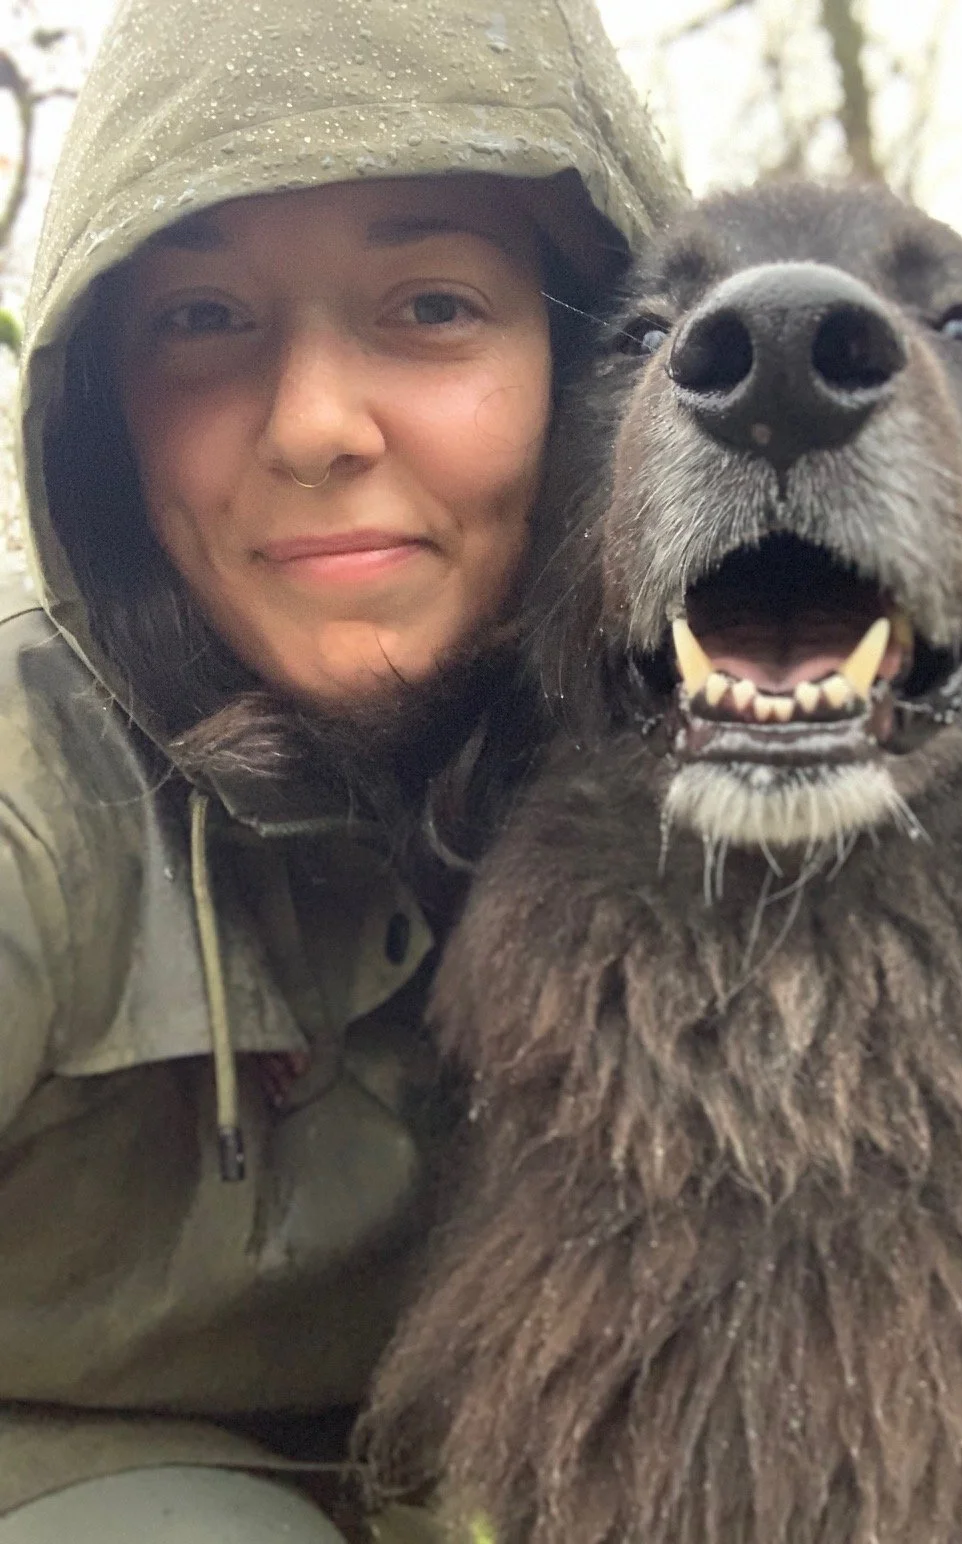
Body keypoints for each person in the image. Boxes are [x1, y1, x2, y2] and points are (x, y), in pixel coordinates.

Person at [0, 0, 679, 1538]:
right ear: (104, 410)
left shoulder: (756, 740)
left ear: (601, 369)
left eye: (430, 305)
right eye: (201, 319)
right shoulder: (29, 793)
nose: (311, 426)